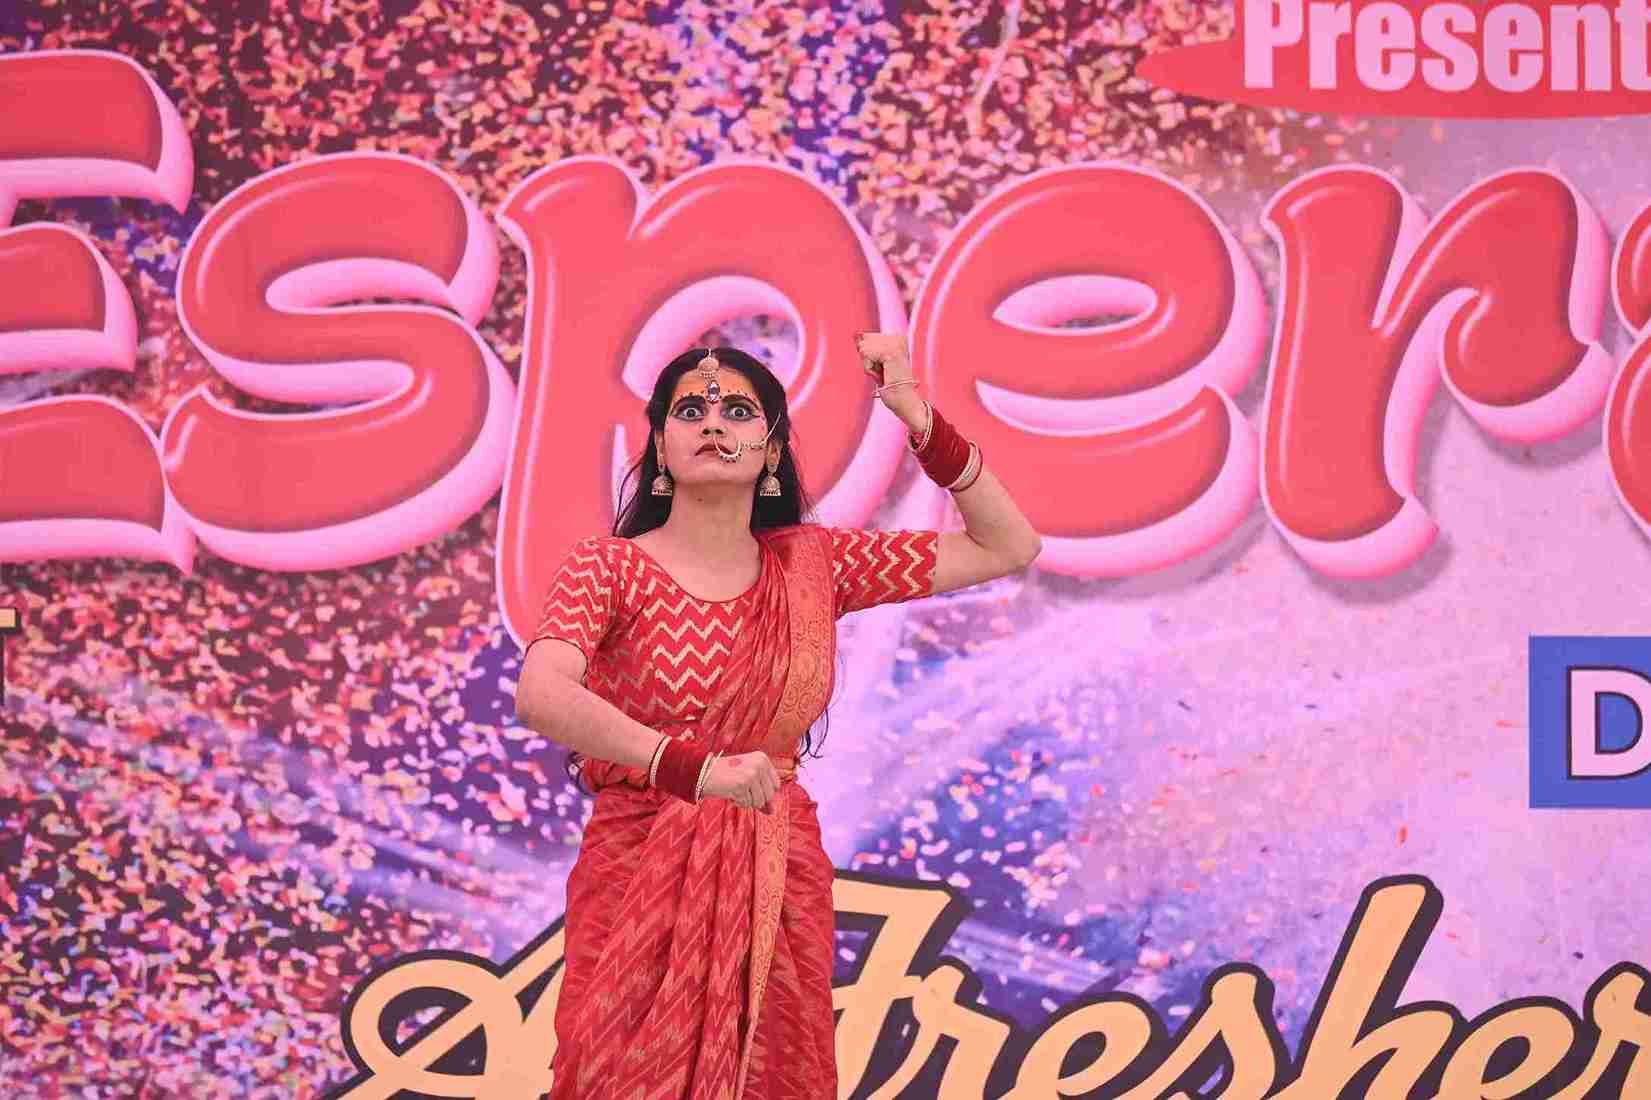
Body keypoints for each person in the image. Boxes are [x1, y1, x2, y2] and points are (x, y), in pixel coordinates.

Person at [513, 332, 1041, 1099]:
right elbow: (542, 692)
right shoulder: (608, 567)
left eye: (738, 411)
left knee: (774, 1070)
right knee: (612, 1074)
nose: (713, 422)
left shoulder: (816, 568)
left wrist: (916, 416)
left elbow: (1007, 545)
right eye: (689, 411)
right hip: (636, 863)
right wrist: (694, 770)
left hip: (772, 866)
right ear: (660, 447)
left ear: (769, 452)